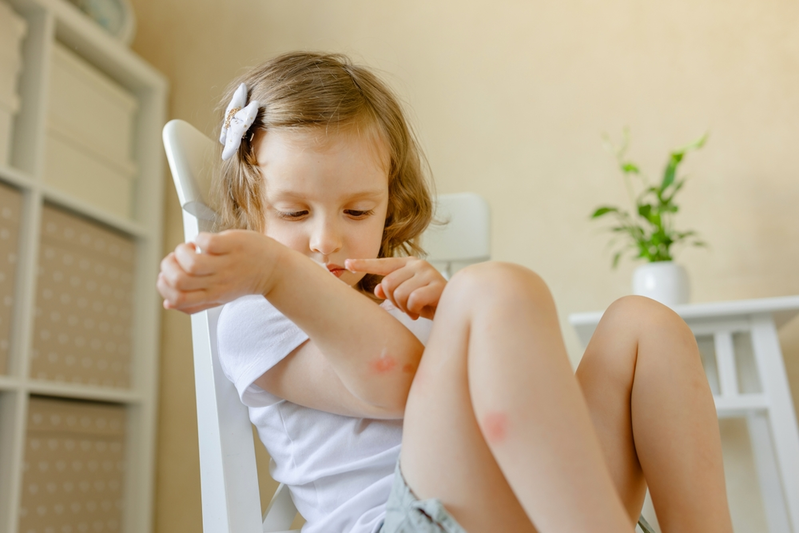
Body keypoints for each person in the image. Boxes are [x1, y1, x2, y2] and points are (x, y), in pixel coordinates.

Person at [157, 52, 733, 533]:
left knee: (645, 323)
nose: (324, 240)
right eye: (293, 212)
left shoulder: (395, 292)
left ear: (388, 202)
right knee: (495, 288)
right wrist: (272, 272)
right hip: (400, 521)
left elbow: (505, 406)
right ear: (249, 209)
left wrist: (447, 314)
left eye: (358, 210)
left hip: (531, 504)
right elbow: (397, 383)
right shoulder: (258, 309)